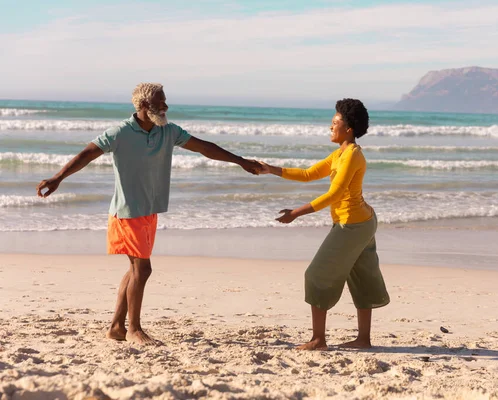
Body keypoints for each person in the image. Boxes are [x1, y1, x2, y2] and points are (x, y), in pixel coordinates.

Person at [36, 83, 262, 345]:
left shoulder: (168, 130)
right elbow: (88, 153)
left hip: (149, 209)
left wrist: (241, 161)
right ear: (143, 106)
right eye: (160, 102)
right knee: (141, 270)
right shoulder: (120, 132)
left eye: (165, 101)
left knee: (135, 270)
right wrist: (58, 177)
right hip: (127, 210)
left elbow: (204, 148)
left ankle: (116, 328)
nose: (165, 106)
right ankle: (133, 329)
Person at [258, 98, 390, 350]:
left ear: (348, 129)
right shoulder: (340, 153)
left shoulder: (352, 155)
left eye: (335, 123)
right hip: (360, 222)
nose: (330, 127)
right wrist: (270, 169)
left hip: (352, 225)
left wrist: (295, 213)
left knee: (317, 274)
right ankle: (363, 339)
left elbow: (334, 195)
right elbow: (309, 174)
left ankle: (318, 340)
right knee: (362, 276)